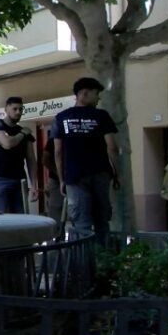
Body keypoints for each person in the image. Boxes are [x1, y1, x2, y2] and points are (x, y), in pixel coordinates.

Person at [51, 77, 120, 241]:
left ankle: (83, 263)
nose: (99, 98)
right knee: (102, 222)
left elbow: (58, 152)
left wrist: (62, 179)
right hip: (100, 173)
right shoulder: (101, 116)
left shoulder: (61, 118)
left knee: (81, 225)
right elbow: (112, 147)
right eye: (96, 94)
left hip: (74, 177)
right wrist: (116, 174)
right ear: (84, 94)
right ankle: (104, 260)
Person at [0, 96, 38, 213]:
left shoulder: (25, 134)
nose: (18, 112)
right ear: (6, 109)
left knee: (20, 219)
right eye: (15, 109)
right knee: (2, 218)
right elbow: (7, 143)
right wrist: (23, 133)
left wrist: (34, 185)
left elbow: (31, 160)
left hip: (19, 180)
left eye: (20, 109)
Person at [41, 130, 65, 234]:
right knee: (55, 210)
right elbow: (45, 159)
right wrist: (58, 173)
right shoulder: (53, 140)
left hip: (72, 178)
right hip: (56, 179)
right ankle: (55, 238)